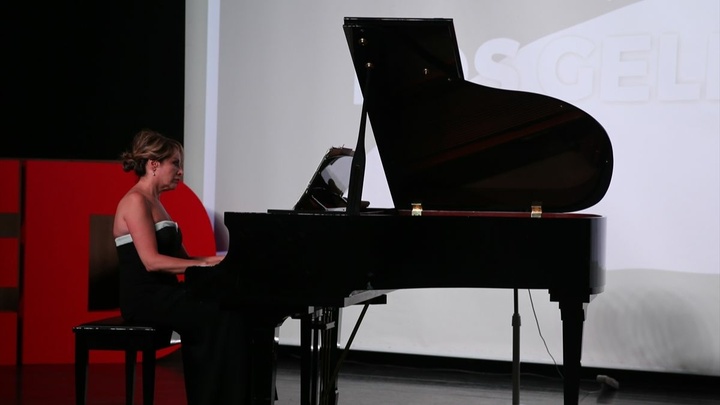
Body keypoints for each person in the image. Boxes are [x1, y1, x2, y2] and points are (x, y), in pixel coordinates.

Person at [113, 129, 249, 404]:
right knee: (215, 313)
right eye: (175, 163)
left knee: (232, 308)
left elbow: (187, 261)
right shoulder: (135, 201)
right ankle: (210, 396)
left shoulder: (156, 203)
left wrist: (222, 261)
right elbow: (151, 262)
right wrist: (208, 263)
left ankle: (233, 395)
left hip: (166, 294)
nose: (180, 172)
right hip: (145, 299)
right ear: (153, 165)